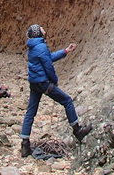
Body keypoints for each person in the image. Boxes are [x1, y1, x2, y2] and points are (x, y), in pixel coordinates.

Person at [20, 24, 92, 158]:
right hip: (43, 83)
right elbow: (48, 66)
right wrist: (54, 81)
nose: (43, 28)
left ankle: (25, 145)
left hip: (34, 83)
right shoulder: (40, 46)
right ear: (38, 33)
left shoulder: (33, 46)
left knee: (31, 112)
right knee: (67, 101)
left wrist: (65, 51)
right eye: (40, 27)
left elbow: (48, 57)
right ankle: (78, 131)